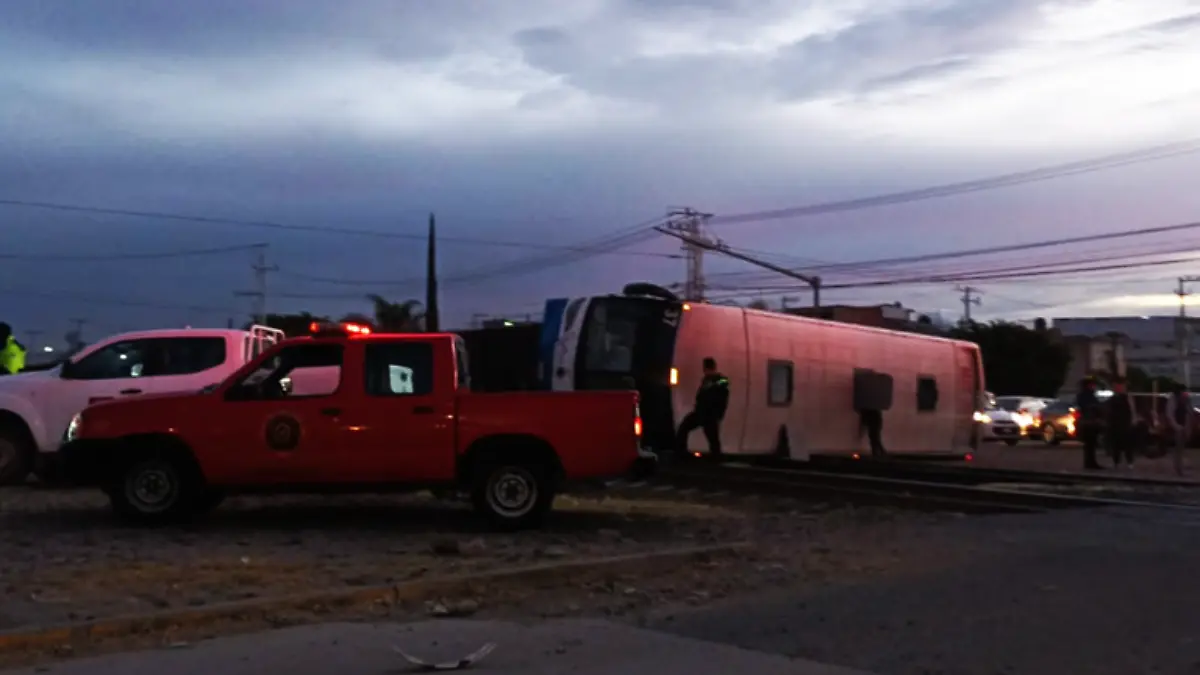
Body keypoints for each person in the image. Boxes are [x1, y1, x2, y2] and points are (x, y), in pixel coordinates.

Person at [675, 357, 730, 457]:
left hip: (710, 414)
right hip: (702, 412)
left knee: (712, 436)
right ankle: (681, 451)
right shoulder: (706, 380)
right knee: (685, 427)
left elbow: (723, 389)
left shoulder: (720, 381)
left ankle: (716, 457)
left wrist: (718, 414)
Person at [1105, 376, 1138, 469]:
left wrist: (1133, 419)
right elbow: (1109, 411)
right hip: (1115, 423)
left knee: (1127, 443)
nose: (1117, 388)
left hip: (1125, 422)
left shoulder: (1127, 397)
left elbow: (1132, 409)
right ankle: (1116, 462)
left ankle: (1129, 462)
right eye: (1115, 386)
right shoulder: (1113, 398)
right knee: (1116, 444)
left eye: (1119, 386)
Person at [1075, 377, 1104, 470]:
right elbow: (1087, 407)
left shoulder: (1087, 395)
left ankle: (1091, 462)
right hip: (1088, 422)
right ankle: (1089, 463)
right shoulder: (1085, 396)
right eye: (1092, 385)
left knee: (1091, 444)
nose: (1094, 387)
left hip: (1090, 422)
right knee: (1089, 444)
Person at [1166, 383, 1191, 476]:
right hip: (1177, 427)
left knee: (1181, 448)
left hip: (1184, 426)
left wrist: (1188, 427)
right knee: (1178, 448)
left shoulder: (1186, 400)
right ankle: (1178, 467)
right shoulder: (1174, 399)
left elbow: (1189, 412)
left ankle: (1179, 467)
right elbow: (1170, 414)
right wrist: (1176, 426)